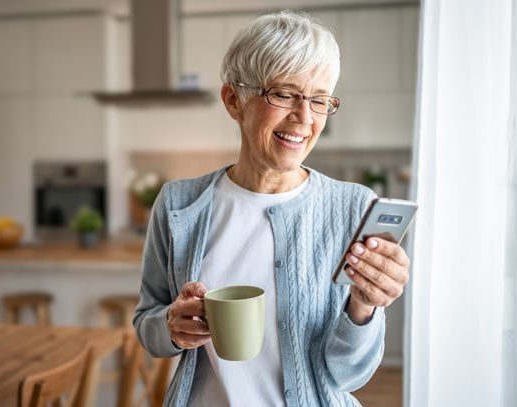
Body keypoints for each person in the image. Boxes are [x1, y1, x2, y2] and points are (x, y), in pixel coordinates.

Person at [133, 10, 410, 407]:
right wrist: (171, 328)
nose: (304, 118)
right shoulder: (178, 204)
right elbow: (148, 324)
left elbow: (349, 375)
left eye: (318, 100)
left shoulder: (353, 208)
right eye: (283, 94)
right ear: (234, 100)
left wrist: (364, 305)